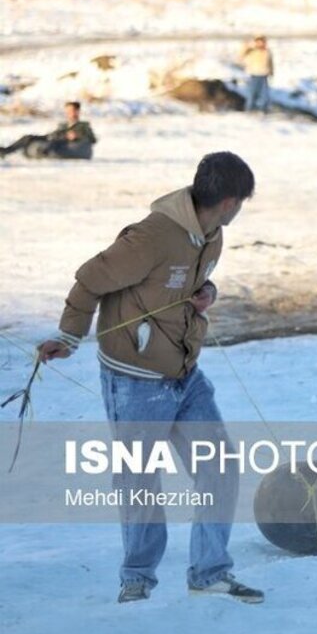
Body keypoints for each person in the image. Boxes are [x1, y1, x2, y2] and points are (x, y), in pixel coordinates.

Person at [37, 152, 264, 605]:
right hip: (136, 378)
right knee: (139, 480)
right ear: (230, 201)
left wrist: (206, 294)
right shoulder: (152, 236)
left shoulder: (211, 236)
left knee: (219, 468)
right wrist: (69, 334)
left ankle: (209, 572)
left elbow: (182, 285)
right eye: (243, 202)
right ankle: (137, 579)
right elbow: (89, 279)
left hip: (184, 373)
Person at [0, 101, 97, 160]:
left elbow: (93, 139)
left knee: (46, 145)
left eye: (71, 111)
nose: (69, 113)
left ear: (77, 111)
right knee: (28, 137)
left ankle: (9, 152)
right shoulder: (63, 125)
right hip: (54, 139)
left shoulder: (83, 125)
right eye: (67, 111)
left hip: (62, 144)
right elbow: (55, 134)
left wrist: (77, 136)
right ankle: (6, 150)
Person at [241, 35, 273, 111]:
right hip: (254, 75)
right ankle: (249, 110)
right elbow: (242, 55)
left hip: (264, 75)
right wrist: (245, 44)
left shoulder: (267, 52)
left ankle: (264, 111)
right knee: (252, 95)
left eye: (263, 42)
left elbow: (270, 63)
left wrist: (271, 72)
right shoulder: (252, 51)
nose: (261, 44)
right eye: (259, 42)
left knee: (265, 96)